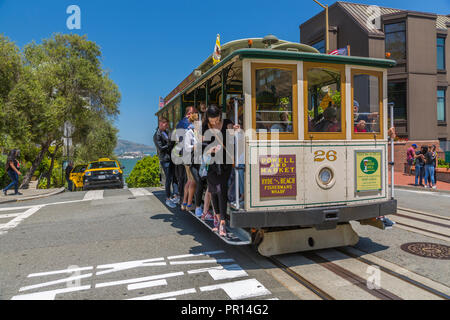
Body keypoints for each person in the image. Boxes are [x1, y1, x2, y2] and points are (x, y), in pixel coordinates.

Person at [202, 105, 240, 237]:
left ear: (220, 115)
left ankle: (222, 222)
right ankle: (217, 220)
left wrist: (236, 130)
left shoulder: (228, 123)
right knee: (213, 191)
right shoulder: (205, 126)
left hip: (225, 163)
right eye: (211, 119)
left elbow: (234, 138)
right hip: (212, 162)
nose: (214, 122)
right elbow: (201, 145)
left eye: (216, 118)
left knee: (221, 189)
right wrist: (209, 149)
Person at [154, 117, 178, 208]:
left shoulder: (166, 132)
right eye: (166, 124)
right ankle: (168, 198)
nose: (167, 126)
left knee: (174, 177)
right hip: (165, 159)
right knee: (168, 179)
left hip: (171, 158)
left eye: (168, 124)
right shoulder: (157, 135)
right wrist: (170, 144)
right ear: (161, 124)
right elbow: (160, 148)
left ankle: (176, 195)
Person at [181, 109, 199, 212]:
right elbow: (187, 147)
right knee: (192, 181)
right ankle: (188, 204)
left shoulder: (193, 131)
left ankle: (184, 203)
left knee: (189, 181)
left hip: (190, 159)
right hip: (189, 160)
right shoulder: (189, 132)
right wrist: (195, 146)